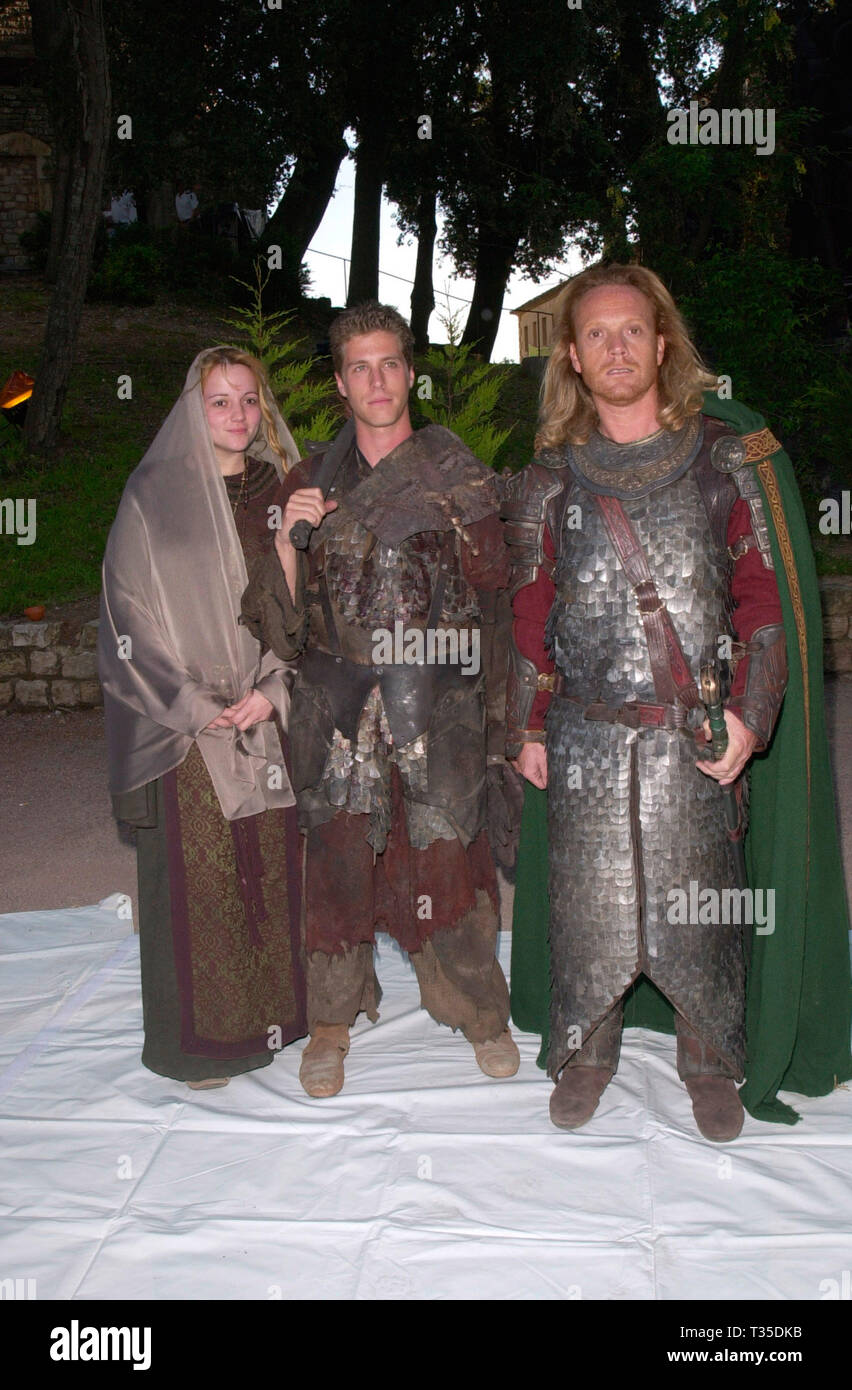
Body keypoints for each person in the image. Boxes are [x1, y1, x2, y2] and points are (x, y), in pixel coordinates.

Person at [503, 263, 852, 1140]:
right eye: (595, 335)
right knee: (591, 901)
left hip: (691, 730)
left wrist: (750, 713)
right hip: (583, 730)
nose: (615, 348)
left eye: (632, 331)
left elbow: (765, 601)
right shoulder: (550, 478)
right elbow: (528, 609)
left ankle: (708, 1054)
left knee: (701, 900)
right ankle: (587, 1045)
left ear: (663, 345)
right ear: (573, 359)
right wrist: (526, 723)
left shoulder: (726, 460)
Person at [241, 302, 519, 1097]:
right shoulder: (309, 482)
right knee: (336, 864)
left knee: (448, 855)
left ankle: (480, 1013)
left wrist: (500, 721)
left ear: (410, 373)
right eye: (359, 366)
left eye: (389, 363)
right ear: (339, 382)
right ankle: (331, 1022)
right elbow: (279, 628)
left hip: (441, 702)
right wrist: (290, 544)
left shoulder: (459, 473)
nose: (377, 380)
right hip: (338, 704)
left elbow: (496, 605)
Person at [98, 347, 307, 1088]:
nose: (238, 416)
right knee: (201, 880)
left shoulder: (282, 490)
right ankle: (206, 1043)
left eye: (249, 400)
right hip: (184, 720)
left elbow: (305, 607)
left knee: (269, 866)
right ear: (194, 406)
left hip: (261, 706)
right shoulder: (155, 493)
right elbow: (126, 611)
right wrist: (192, 705)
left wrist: (274, 689)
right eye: (220, 401)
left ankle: (273, 1019)